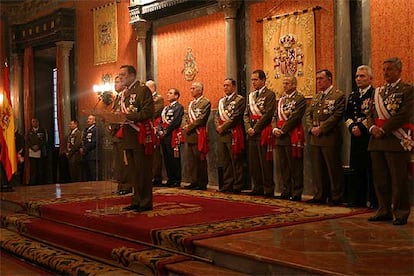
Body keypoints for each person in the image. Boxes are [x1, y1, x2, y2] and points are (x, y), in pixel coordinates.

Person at [367, 57, 413, 226]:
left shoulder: (407, 90)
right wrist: (372, 128)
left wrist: (383, 129)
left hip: (395, 140)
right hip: (376, 141)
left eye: (390, 69)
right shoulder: (378, 91)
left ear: (399, 71)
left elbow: (404, 114)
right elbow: (370, 113)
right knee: (380, 179)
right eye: (384, 69)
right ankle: (383, 209)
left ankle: (400, 212)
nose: (386, 72)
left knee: (398, 179)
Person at [305, 69, 345, 205]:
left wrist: (322, 128)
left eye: (321, 78)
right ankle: (320, 194)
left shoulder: (338, 95)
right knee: (318, 168)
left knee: (332, 168)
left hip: (329, 136)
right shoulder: (316, 97)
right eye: (317, 79)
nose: (318, 81)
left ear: (329, 79)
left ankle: (336, 196)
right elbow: (308, 114)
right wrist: (311, 128)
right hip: (315, 137)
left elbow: (337, 115)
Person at [118, 65, 155, 212]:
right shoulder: (124, 94)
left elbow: (147, 112)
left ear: (132, 75)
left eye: (123, 75)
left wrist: (127, 116)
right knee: (133, 172)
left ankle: (145, 202)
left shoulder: (143, 90)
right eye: (119, 75)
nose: (120, 77)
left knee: (143, 170)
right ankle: (136, 200)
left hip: (140, 136)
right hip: (128, 137)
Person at [344, 65, 377, 208]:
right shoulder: (353, 95)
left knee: (371, 168)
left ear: (370, 78)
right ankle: (358, 199)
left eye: (362, 76)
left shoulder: (374, 94)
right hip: (355, 136)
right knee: (356, 167)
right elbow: (347, 115)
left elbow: (373, 114)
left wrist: (362, 128)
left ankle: (374, 200)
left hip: (369, 135)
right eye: (357, 76)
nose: (358, 79)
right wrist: (352, 127)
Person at [272, 75, 306, 201]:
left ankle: (297, 191)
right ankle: (286, 189)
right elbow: (275, 116)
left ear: (294, 85)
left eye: (287, 83)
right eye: (284, 83)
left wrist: (283, 130)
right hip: (280, 136)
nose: (284, 85)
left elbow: (295, 117)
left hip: (292, 135)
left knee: (295, 165)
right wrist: (275, 128)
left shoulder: (299, 99)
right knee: (283, 165)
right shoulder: (281, 100)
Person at [243, 69, 276, 197]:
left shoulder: (269, 95)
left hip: (262, 132)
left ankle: (268, 188)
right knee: (254, 162)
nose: (253, 82)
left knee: (265, 162)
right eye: (252, 80)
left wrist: (255, 128)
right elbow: (246, 114)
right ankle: (257, 186)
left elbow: (268, 114)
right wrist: (247, 128)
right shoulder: (251, 96)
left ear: (263, 80)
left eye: (256, 80)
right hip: (251, 133)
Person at [214, 78, 245, 194]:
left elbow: (235, 117)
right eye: (224, 85)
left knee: (235, 160)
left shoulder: (239, 100)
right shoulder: (222, 101)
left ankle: (238, 184)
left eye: (227, 85)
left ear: (234, 87)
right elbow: (217, 116)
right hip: (222, 135)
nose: (225, 88)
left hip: (233, 133)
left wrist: (223, 127)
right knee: (225, 161)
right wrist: (218, 126)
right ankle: (228, 184)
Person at [183, 82, 211, 190]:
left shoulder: (205, 102)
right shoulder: (191, 104)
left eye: (193, 88)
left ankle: (202, 182)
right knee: (191, 161)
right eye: (191, 88)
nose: (191, 90)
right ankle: (193, 181)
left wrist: (189, 127)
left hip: (199, 134)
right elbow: (186, 117)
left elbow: (201, 119)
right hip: (190, 135)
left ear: (200, 90)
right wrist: (186, 125)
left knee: (200, 160)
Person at [157, 88, 184, 187]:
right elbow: (160, 121)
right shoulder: (165, 109)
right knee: (167, 158)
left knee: (174, 158)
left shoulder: (179, 107)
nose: (168, 94)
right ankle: (170, 178)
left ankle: (177, 179)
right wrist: (160, 130)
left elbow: (176, 121)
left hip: (172, 135)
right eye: (168, 93)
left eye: (171, 93)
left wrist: (165, 131)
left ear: (176, 96)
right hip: (164, 137)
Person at [110, 75, 131, 195]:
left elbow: (127, 112)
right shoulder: (117, 98)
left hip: (124, 133)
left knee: (125, 162)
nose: (115, 84)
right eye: (114, 82)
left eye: (117, 82)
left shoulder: (126, 96)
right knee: (118, 163)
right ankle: (120, 184)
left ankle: (127, 185)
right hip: (116, 134)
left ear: (124, 84)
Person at [146, 80, 165, 186]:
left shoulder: (158, 98)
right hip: (147, 127)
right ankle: (150, 175)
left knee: (156, 153)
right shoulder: (147, 99)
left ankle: (157, 177)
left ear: (152, 88)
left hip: (155, 127)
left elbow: (154, 112)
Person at [26, 118, 48, 185]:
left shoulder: (42, 130)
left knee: (40, 168)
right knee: (33, 169)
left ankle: (41, 182)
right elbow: (27, 140)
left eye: (35, 122)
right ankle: (33, 183)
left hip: (40, 151)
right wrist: (32, 147)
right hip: (32, 152)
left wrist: (38, 146)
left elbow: (45, 140)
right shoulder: (29, 131)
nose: (34, 123)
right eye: (33, 122)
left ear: (38, 122)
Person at [80, 115, 99, 181]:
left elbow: (93, 142)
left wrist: (85, 148)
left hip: (92, 154)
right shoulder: (87, 130)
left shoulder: (95, 130)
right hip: (86, 155)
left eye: (90, 119)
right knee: (87, 174)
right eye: (88, 119)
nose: (88, 120)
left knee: (92, 173)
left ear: (94, 121)